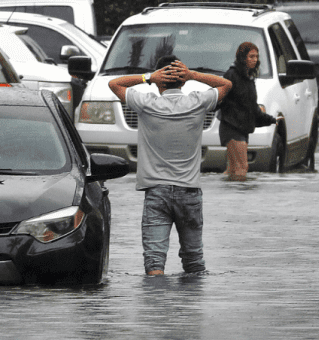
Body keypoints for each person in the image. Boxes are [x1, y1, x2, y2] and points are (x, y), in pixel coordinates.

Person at [108, 55, 232, 276]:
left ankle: (157, 308)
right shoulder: (197, 102)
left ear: (159, 80)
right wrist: (193, 74)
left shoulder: (146, 104)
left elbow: (114, 84)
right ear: (183, 81)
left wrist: (148, 77)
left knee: (154, 262)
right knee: (194, 261)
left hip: (157, 193)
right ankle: (192, 308)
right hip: (190, 192)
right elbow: (226, 84)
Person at [219, 42, 277, 181]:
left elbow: (251, 107)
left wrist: (270, 119)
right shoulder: (231, 75)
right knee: (241, 167)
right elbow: (219, 98)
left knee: (233, 170)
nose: (254, 59)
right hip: (231, 127)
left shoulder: (248, 78)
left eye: (256, 56)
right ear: (242, 57)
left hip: (242, 128)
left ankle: (226, 197)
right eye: (251, 56)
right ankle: (239, 200)